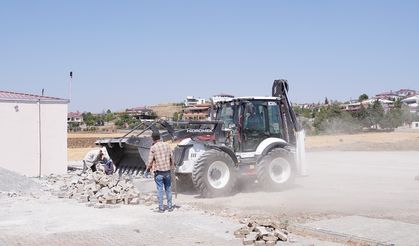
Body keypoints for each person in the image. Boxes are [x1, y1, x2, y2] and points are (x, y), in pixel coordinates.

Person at [146, 131, 173, 213]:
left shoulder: (153, 148)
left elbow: (150, 161)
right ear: (160, 137)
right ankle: (170, 207)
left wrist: (147, 169)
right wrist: (171, 166)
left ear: (153, 139)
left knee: (160, 190)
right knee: (168, 189)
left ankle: (161, 208)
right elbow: (171, 157)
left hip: (159, 173)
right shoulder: (167, 145)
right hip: (167, 172)